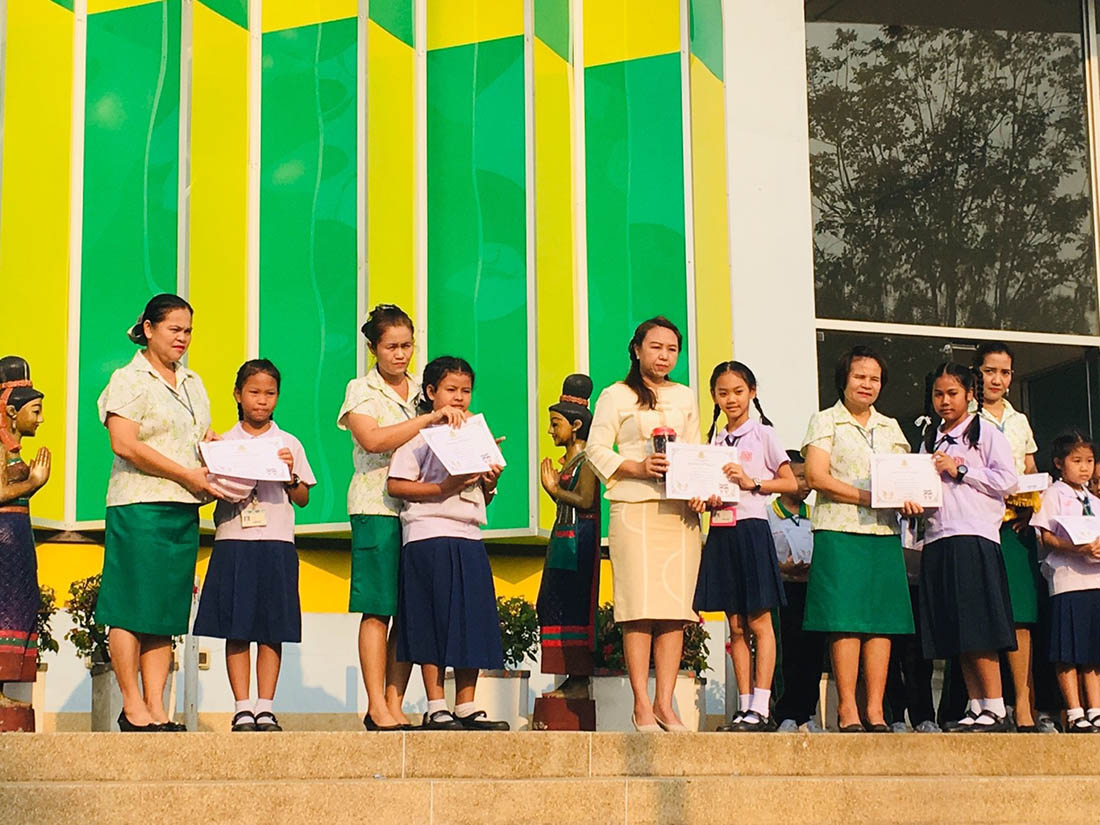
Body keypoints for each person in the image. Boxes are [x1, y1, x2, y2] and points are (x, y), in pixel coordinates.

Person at [96, 294, 222, 732]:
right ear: (148, 329)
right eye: (174, 329)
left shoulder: (193, 382)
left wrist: (217, 453)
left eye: (188, 331)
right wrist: (185, 473)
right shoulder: (129, 378)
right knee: (130, 606)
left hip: (182, 507)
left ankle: (157, 708)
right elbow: (124, 443)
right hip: (140, 504)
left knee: (164, 612)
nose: (182, 338)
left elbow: (196, 438)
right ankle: (131, 704)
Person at [337, 304, 465, 731]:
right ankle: (375, 703)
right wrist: (429, 420)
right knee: (377, 608)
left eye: (407, 345)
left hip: (421, 513)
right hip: (376, 507)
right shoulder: (362, 389)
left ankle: (395, 701)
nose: (400, 354)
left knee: (410, 610)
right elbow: (372, 440)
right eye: (391, 346)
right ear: (373, 348)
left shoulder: (422, 390)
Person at [586, 317, 702, 732]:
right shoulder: (615, 395)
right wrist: (636, 466)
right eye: (656, 347)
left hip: (680, 514)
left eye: (672, 349)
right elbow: (595, 449)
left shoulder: (685, 396)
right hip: (634, 508)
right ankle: (640, 704)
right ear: (636, 350)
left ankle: (665, 704)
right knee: (638, 608)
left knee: (674, 611)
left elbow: (695, 451)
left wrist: (699, 489)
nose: (664, 356)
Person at [192, 360, 316, 732]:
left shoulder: (288, 442)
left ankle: (266, 707)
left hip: (277, 542)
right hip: (234, 540)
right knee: (237, 627)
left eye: (270, 393)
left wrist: (290, 475)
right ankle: (242, 707)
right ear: (238, 395)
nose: (262, 401)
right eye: (254, 392)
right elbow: (207, 491)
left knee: (272, 629)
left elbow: (303, 498)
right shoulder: (223, 443)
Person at [387, 356, 509, 730]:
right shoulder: (419, 434)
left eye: (465, 391)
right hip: (428, 534)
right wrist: (442, 487)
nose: (458, 398)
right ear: (431, 392)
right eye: (450, 390)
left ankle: (466, 704)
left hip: (469, 534)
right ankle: (435, 703)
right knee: (432, 618)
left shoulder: (476, 432)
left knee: (471, 618)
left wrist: (490, 481)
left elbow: (483, 494)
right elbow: (396, 485)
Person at [801, 345, 917, 732]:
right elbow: (816, 476)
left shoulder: (891, 427)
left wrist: (911, 499)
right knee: (846, 620)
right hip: (839, 531)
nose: (867, 384)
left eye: (874, 378)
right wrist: (867, 497)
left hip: (883, 532)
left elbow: (906, 477)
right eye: (859, 376)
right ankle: (847, 708)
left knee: (882, 622)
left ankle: (876, 710)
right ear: (844, 380)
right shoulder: (825, 421)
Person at [691, 361, 796, 731]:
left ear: (752, 392)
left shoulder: (764, 434)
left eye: (738, 391)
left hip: (752, 528)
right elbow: (707, 485)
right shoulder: (715, 441)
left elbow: (790, 483)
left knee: (759, 620)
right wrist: (702, 499)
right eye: (723, 393)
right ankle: (745, 706)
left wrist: (754, 483)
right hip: (722, 532)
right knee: (735, 625)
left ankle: (763, 706)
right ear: (714, 397)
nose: (731, 399)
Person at [914, 363, 1017, 732]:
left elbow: (1008, 481)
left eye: (953, 393)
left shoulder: (985, 432)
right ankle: (976, 706)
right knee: (957, 627)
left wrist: (960, 470)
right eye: (938, 394)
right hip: (938, 538)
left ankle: (996, 706)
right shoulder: (931, 438)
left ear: (970, 394)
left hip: (974, 536)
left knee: (979, 624)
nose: (945, 401)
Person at [969, 341, 1044, 732]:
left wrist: (1031, 506)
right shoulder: (965, 416)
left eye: (1004, 372)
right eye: (989, 371)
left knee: (1019, 617)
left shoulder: (1019, 421)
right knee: (980, 614)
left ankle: (1024, 705)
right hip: (975, 526)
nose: (996, 379)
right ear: (976, 373)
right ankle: (984, 703)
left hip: (1013, 529)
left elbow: (1030, 469)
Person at [1031, 432, 1100, 733]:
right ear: (1059, 463)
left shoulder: (1093, 500)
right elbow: (1045, 537)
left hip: (1095, 579)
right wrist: (1076, 549)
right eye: (1077, 461)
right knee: (1068, 648)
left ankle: (1095, 709)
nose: (1085, 468)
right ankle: (1074, 710)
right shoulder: (1053, 495)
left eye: (1089, 461)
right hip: (1068, 580)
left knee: (1093, 648)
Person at [537, 374, 600, 698]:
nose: (551, 431)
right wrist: (557, 492)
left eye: (555, 424)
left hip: (579, 541)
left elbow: (586, 501)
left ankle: (578, 678)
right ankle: (568, 674)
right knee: (552, 602)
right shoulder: (571, 461)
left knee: (573, 604)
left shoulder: (587, 460)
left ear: (575, 425)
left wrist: (554, 489)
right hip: (564, 538)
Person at [0, 357, 50, 718]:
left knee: (15, 608)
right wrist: (31, 483)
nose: (41, 419)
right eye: (36, 410)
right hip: (5, 537)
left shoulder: (12, 448)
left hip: (15, 539)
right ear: (11, 412)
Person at [769, 450, 826, 733]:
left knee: (812, 653)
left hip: (810, 590)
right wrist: (783, 567)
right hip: (782, 590)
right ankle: (784, 713)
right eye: (799, 477)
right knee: (786, 653)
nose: (805, 484)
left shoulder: (815, 515)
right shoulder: (768, 514)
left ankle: (807, 712)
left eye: (807, 477)